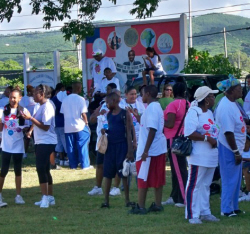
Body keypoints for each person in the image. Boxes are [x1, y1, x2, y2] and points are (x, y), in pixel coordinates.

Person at [184, 86, 220, 224]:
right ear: (205, 100)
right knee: (194, 185)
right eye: (211, 96)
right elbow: (190, 133)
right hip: (198, 156)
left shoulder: (209, 113)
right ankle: (192, 214)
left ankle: (205, 212)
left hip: (210, 156)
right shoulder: (194, 112)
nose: (213, 98)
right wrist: (207, 139)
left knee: (206, 185)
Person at [129, 85, 167, 214]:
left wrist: (145, 151)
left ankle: (140, 206)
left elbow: (152, 129)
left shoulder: (151, 109)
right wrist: (137, 116)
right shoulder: (156, 107)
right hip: (158, 149)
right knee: (158, 178)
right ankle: (157, 204)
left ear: (149, 94)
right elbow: (149, 125)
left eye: (143, 94)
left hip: (149, 151)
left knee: (143, 177)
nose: (141, 96)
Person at [22, 84, 57, 208]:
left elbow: (46, 126)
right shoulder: (41, 106)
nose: (32, 95)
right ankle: (50, 197)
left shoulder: (47, 106)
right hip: (41, 141)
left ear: (42, 94)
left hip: (46, 141)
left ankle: (45, 198)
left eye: (35, 92)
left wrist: (30, 118)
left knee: (41, 168)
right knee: (45, 169)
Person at [216, 75, 246, 217]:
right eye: (239, 88)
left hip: (236, 148)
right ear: (232, 90)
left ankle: (234, 206)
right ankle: (226, 209)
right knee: (229, 179)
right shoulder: (226, 107)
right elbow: (228, 133)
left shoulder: (233, 103)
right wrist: (235, 152)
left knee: (236, 179)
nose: (241, 91)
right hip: (229, 148)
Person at [100, 92, 134, 208]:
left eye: (108, 102)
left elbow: (128, 133)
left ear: (114, 101)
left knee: (123, 173)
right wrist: (105, 132)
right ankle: (106, 200)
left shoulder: (125, 114)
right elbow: (112, 129)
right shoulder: (109, 115)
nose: (107, 105)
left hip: (122, 146)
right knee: (108, 173)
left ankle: (127, 200)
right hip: (110, 147)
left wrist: (130, 150)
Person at [0, 88, 29, 207]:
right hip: (6, 145)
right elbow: (1, 127)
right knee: (4, 170)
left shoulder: (23, 110)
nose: (12, 100)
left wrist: (27, 130)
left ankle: (18, 195)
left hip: (18, 145)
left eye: (15, 97)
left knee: (18, 170)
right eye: (11, 97)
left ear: (20, 98)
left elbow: (28, 125)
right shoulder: (3, 110)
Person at [88, 83, 119, 196]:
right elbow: (91, 120)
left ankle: (115, 187)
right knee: (100, 164)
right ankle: (98, 187)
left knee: (115, 165)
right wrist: (98, 114)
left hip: (115, 140)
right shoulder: (102, 106)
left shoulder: (121, 108)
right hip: (102, 140)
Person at [162, 82, 189, 207]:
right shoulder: (188, 104)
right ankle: (174, 196)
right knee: (177, 168)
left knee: (179, 170)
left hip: (174, 139)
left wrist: (160, 120)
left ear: (173, 92)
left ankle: (183, 199)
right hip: (184, 138)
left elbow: (170, 124)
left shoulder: (173, 105)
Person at [60, 82, 91, 169]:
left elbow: (63, 113)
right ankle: (85, 165)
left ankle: (73, 165)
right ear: (78, 89)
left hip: (68, 126)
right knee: (83, 145)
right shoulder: (81, 99)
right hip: (80, 125)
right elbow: (84, 114)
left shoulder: (65, 99)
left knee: (70, 147)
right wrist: (87, 123)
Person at [51, 83, 68, 166]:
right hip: (63, 122)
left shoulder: (52, 99)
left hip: (55, 122)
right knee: (65, 141)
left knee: (59, 142)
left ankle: (61, 159)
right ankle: (67, 158)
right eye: (63, 89)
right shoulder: (63, 99)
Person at [19, 85, 36, 158]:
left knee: (35, 138)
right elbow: (21, 109)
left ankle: (36, 152)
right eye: (33, 91)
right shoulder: (24, 99)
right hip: (27, 121)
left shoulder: (35, 99)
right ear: (29, 92)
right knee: (26, 138)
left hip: (34, 120)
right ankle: (24, 152)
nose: (34, 93)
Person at [238, 138, 250, 202]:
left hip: (246, 166)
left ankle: (249, 193)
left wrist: (242, 159)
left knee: (246, 167)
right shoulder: (239, 151)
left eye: (246, 142)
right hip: (240, 166)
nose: (245, 144)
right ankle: (238, 191)